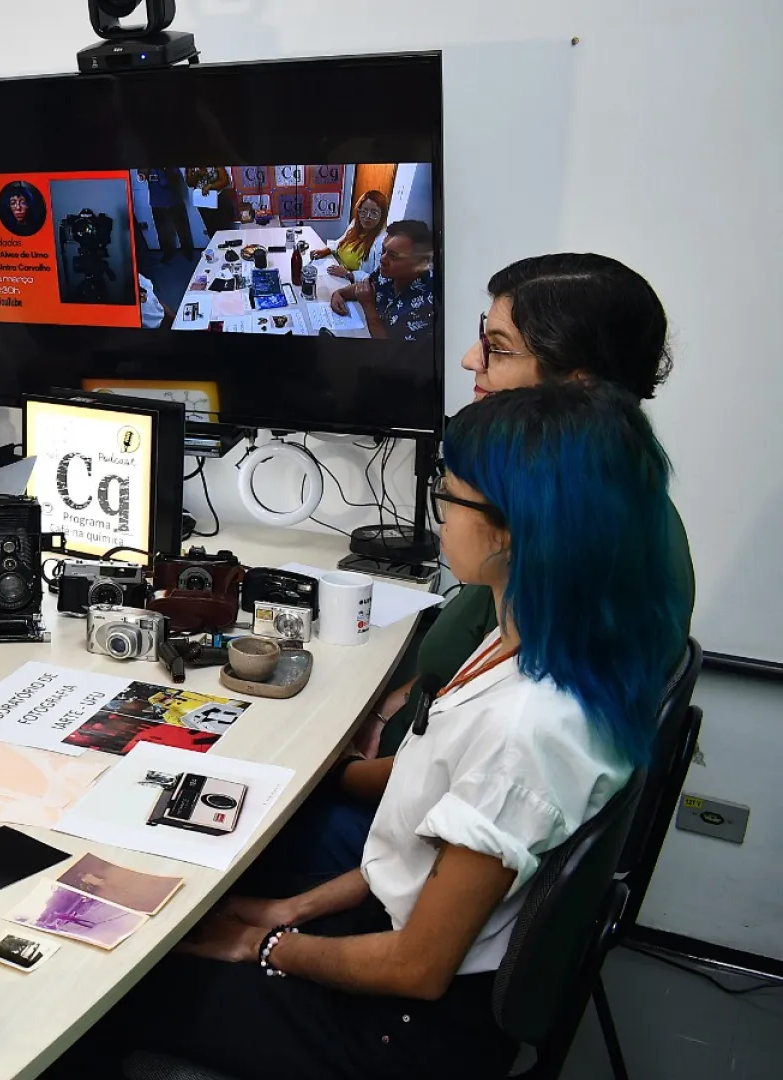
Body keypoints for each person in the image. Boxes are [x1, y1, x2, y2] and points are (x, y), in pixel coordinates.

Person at [74, 380, 688, 1080]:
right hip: (393, 944)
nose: (440, 519)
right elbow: (414, 850)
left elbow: (416, 968)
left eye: (447, 498)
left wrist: (268, 946)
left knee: (108, 991)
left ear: (515, 529)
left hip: (405, 1033)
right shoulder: (544, 639)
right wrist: (286, 908)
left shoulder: (527, 726)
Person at [247, 252, 694, 888]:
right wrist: (397, 705)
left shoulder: (582, 547)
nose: (468, 362)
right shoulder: (587, 507)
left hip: (421, 830)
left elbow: (481, 782)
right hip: (417, 778)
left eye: (496, 348)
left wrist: (324, 768)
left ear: (577, 385)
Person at [330, 219, 435, 341]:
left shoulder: (426, 303)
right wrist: (339, 294)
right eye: (384, 251)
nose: (383, 259)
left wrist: (368, 305)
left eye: (393, 256)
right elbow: (366, 287)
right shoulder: (387, 271)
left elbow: (389, 350)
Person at [313, 188, 388, 281]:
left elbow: (377, 279)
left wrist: (349, 274)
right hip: (335, 269)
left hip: (352, 284)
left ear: (382, 215)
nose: (367, 217)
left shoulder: (382, 243)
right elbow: (340, 242)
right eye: (363, 211)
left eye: (374, 213)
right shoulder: (355, 224)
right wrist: (327, 250)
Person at [143, 167, 194, 258]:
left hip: (174, 202)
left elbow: (165, 183)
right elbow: (141, 172)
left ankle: (187, 252)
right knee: (162, 232)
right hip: (157, 204)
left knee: (182, 230)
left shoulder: (172, 166)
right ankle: (167, 253)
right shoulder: (148, 166)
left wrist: (164, 170)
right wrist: (143, 172)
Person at [184, 166, 237, 240]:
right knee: (212, 232)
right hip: (203, 202)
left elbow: (225, 180)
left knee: (226, 230)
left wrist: (210, 186)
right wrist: (197, 175)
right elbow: (189, 183)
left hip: (219, 199)